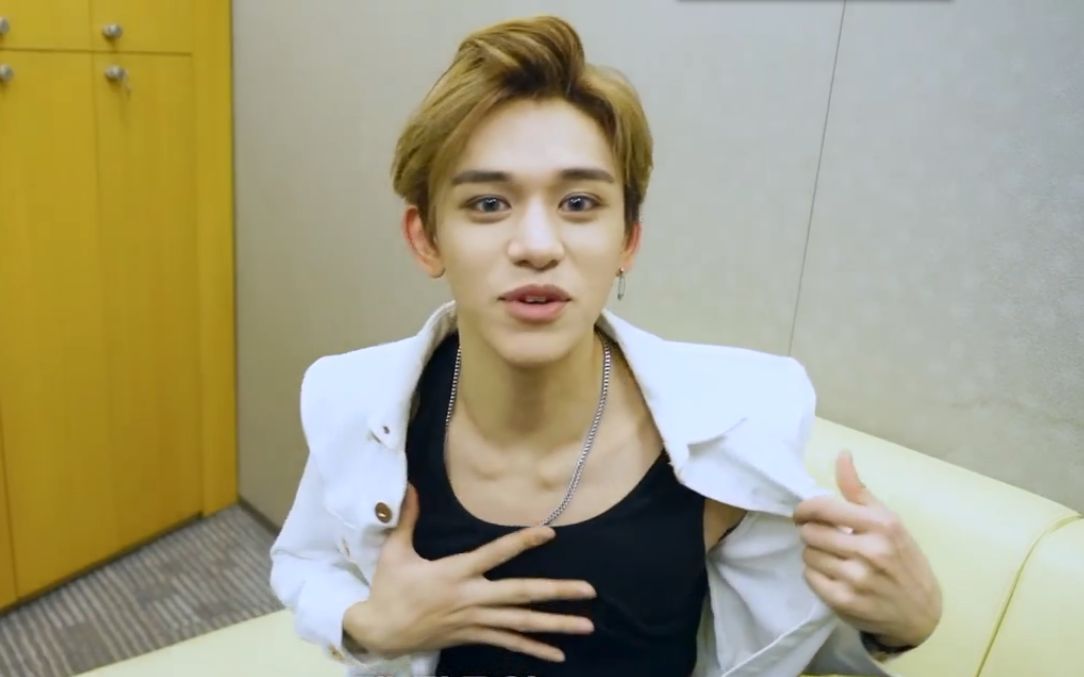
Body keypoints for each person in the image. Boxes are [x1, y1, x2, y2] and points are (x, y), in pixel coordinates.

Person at [269, 14, 942, 677]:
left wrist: (901, 625)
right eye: (488, 204)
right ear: (426, 239)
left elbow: (795, 643)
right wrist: (366, 626)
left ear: (628, 241)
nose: (537, 246)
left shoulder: (733, 431)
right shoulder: (360, 402)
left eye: (579, 204)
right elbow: (303, 560)